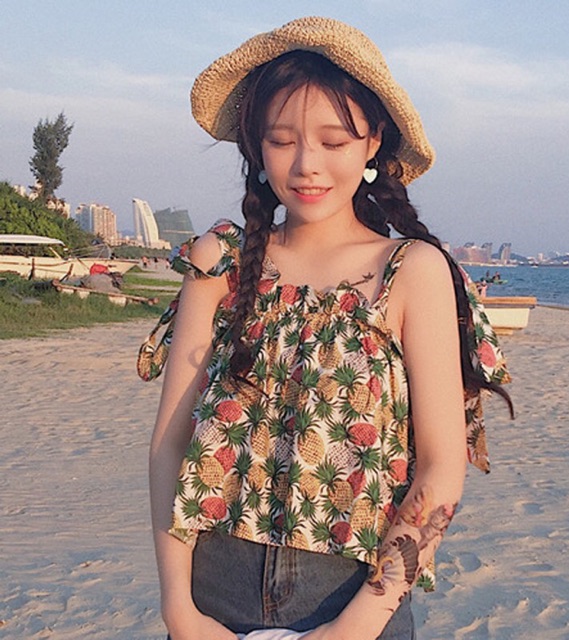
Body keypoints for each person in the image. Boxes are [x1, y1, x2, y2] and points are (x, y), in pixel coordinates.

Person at [145, 17, 511, 640]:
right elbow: (168, 444)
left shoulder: (411, 270)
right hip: (214, 587)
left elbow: (441, 469)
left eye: (334, 140)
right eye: (281, 140)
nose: (306, 164)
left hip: (352, 596)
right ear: (257, 147)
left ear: (373, 144)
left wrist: (357, 625)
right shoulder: (220, 261)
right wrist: (177, 607)